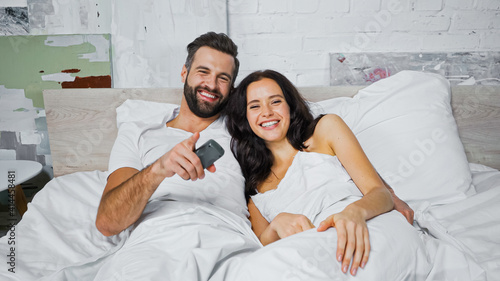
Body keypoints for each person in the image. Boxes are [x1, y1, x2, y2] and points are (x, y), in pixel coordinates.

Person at [93, 32, 260, 280]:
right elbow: (108, 222)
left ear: (232, 88)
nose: (212, 86)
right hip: (154, 244)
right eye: (203, 72)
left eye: (222, 78)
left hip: (228, 241)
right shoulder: (139, 132)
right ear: (184, 73)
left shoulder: (245, 132)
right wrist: (159, 169)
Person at [225, 70, 416, 277]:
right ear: (245, 117)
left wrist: (355, 212)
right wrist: (275, 226)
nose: (267, 112)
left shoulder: (326, 130)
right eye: (255, 106)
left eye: (275, 101)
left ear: (290, 105)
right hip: (312, 253)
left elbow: (381, 194)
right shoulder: (255, 190)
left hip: (366, 226)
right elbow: (261, 248)